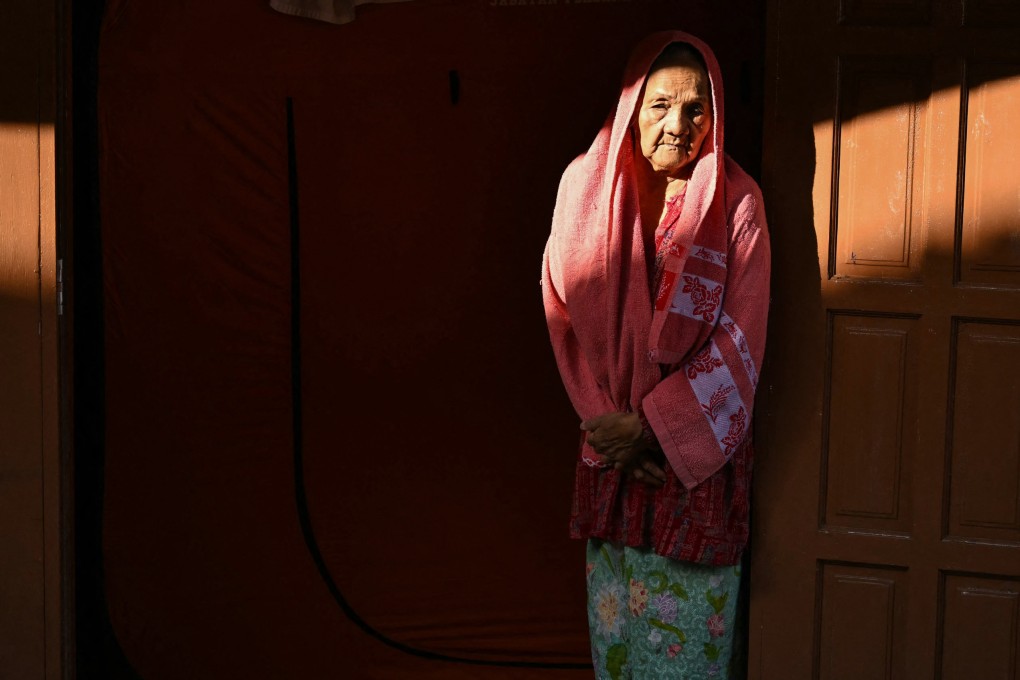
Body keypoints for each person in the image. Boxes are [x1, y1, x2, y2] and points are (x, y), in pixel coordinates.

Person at [541, 31, 770, 679]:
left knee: (683, 664)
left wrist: (654, 431)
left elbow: (740, 339)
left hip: (691, 464)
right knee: (616, 657)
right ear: (631, 108)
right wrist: (607, 422)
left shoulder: (737, 205)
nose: (679, 125)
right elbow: (563, 312)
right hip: (614, 457)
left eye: (697, 108)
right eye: (661, 105)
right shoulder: (586, 190)